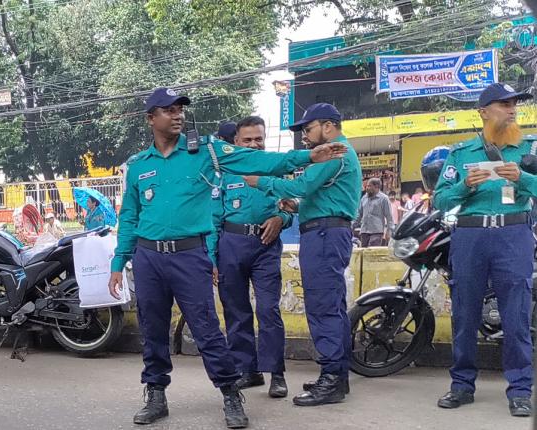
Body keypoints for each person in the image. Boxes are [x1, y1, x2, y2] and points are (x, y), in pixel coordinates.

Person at [107, 88, 345, 428]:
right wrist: (119, 263)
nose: (177, 115)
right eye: (168, 110)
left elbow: (258, 161)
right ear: (151, 118)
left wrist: (307, 158)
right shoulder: (138, 166)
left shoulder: (207, 151)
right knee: (152, 329)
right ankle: (156, 394)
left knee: (208, 331)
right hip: (148, 258)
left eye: (180, 110)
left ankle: (231, 395)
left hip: (189, 256)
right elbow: (129, 217)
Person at [245, 102, 361, 406]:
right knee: (332, 306)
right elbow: (318, 196)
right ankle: (338, 376)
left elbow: (302, 185)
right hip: (327, 231)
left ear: (328, 126)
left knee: (323, 307)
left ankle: (332, 380)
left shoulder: (334, 151)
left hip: (324, 235)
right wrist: (296, 206)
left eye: (308, 129)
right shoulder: (340, 152)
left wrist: (261, 181)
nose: (305, 137)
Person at [434, 83, 536, 417]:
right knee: (464, 314)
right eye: (503, 104)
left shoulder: (529, 149)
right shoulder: (461, 154)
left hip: (513, 235)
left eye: (513, 104)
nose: (511, 109)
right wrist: (464, 186)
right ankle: (461, 385)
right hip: (470, 237)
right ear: (483, 112)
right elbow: (440, 199)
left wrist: (522, 178)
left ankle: (520, 390)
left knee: (517, 315)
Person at [212, 116, 292, 399]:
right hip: (229, 245)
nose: (254, 144)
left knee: (268, 310)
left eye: (258, 138)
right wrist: (211, 257)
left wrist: (281, 218)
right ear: (236, 143)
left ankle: (277, 373)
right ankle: (248, 370)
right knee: (235, 311)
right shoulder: (222, 173)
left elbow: (292, 206)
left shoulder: (275, 170)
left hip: (265, 245)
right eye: (247, 140)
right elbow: (212, 218)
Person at [354, 178, 394, 247]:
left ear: (376, 187)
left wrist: (389, 231)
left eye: (369, 186)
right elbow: (359, 214)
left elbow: (389, 216)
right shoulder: (364, 198)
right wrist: (352, 226)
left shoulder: (384, 199)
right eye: (366, 186)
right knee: (363, 253)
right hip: (364, 231)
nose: (366, 188)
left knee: (372, 253)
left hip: (376, 232)